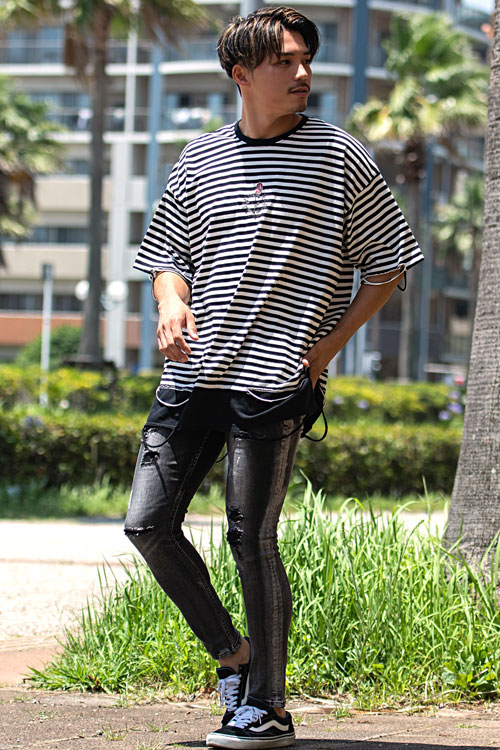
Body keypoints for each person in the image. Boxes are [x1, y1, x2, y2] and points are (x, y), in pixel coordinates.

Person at [125, 6, 424, 748]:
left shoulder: (338, 154)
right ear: (241, 73)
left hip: (274, 380)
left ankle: (268, 707)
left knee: (249, 537)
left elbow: (388, 263)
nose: (302, 73)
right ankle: (234, 655)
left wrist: (327, 350)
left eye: (305, 59)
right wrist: (170, 303)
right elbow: (166, 254)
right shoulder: (199, 156)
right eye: (284, 61)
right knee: (147, 523)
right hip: (193, 375)